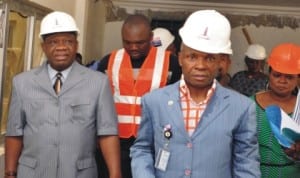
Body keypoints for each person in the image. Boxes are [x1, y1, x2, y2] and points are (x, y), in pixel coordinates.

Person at [130, 9, 260, 178]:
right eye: (192, 57)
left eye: (209, 58)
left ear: (220, 62)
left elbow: (246, 165)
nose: (200, 65)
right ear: (180, 58)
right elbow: (142, 149)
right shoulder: (154, 101)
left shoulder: (241, 108)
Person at [4, 11, 121, 178]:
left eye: (68, 41)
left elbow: (107, 132)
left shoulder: (98, 82)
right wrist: (9, 173)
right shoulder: (22, 83)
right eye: (53, 42)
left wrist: (115, 174)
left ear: (76, 45)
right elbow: (14, 133)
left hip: (79, 173)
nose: (61, 47)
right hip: (33, 173)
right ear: (43, 47)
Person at [97, 14, 181, 178]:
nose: (133, 47)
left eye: (139, 43)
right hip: (116, 142)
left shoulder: (171, 63)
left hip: (154, 141)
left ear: (150, 38)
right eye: (127, 42)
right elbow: (98, 104)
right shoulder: (109, 61)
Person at [252, 43, 300, 177]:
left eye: (289, 77)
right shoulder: (249, 105)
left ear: (298, 79)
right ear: (269, 73)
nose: (282, 81)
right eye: (277, 75)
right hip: (255, 173)